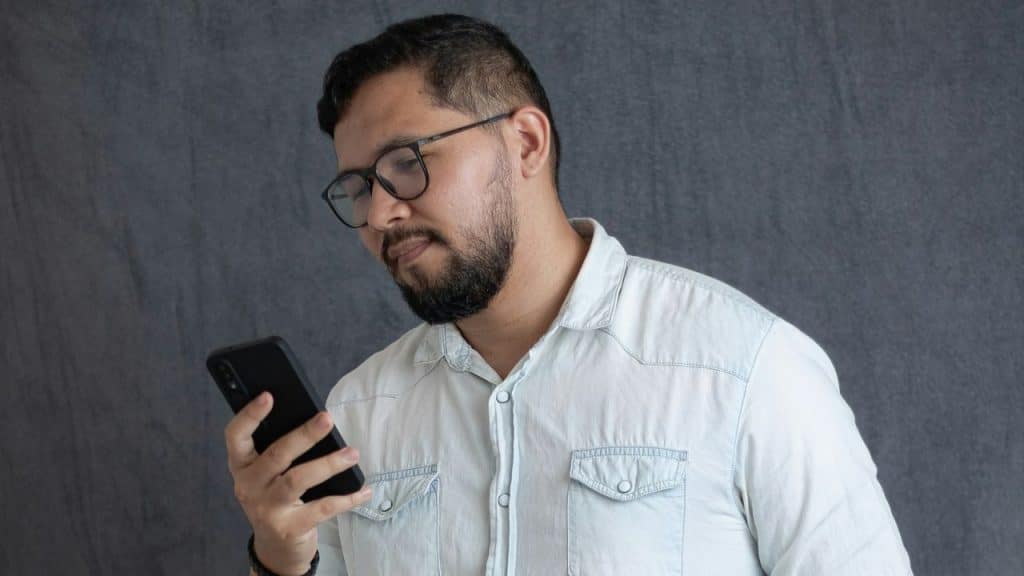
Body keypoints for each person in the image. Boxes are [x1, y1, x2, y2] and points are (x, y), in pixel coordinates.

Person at [223, 13, 913, 576]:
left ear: (524, 143)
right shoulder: (357, 413)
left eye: (406, 164)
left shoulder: (744, 370)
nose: (378, 216)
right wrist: (281, 560)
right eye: (358, 187)